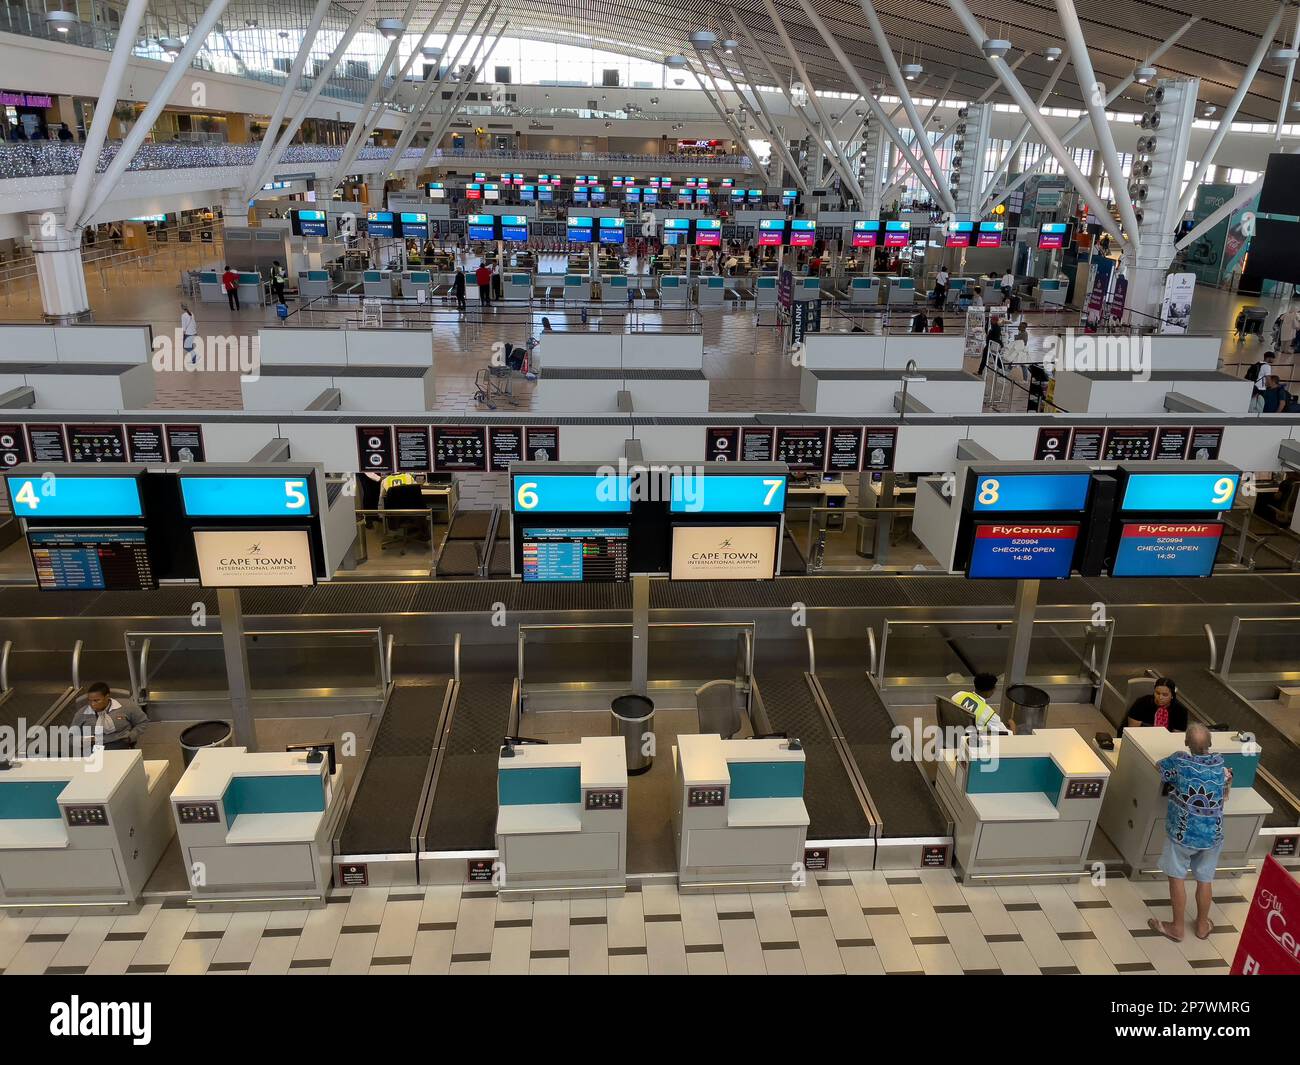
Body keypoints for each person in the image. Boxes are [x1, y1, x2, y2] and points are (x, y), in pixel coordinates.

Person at [1148, 723, 1232, 943]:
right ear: (1211, 744)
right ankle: (1203, 926)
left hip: (1183, 834)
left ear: (1186, 743)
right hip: (1212, 835)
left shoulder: (1180, 761)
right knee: (1205, 879)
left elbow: (1159, 767)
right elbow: (1226, 793)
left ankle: (1177, 928)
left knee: (1177, 877)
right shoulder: (1220, 765)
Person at [72, 682, 148, 750]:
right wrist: (83, 741)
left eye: (96, 700)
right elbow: (71, 737)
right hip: (93, 752)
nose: (93, 704)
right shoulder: (82, 713)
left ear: (107, 697)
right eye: (90, 700)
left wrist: (131, 736)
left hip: (121, 749)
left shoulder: (127, 706)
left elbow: (143, 722)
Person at [1124, 676, 1188, 733]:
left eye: (1165, 695)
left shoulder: (1181, 710)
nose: (1160, 697)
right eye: (1157, 693)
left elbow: (1177, 736)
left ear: (1172, 696)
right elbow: (1132, 730)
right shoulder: (1142, 703)